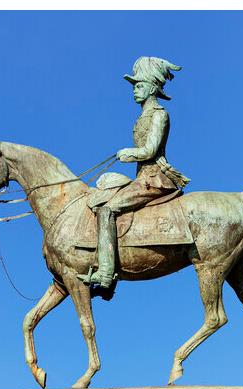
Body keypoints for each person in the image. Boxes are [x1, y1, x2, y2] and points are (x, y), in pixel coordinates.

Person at [79, 56, 190, 290]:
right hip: (142, 178)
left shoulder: (160, 114)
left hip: (155, 179)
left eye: (139, 86)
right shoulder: (142, 117)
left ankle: (106, 273)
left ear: (152, 87)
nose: (134, 91)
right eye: (134, 87)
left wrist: (129, 153)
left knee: (108, 209)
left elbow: (150, 150)